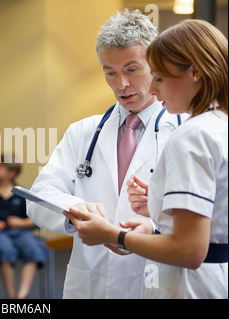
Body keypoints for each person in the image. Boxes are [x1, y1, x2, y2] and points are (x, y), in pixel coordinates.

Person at [26, 8, 184, 299]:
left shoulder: (186, 130)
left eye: (131, 69)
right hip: (92, 281)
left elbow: (209, 215)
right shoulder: (83, 133)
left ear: (156, 64)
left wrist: (153, 224)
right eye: (110, 72)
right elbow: (38, 198)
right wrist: (75, 211)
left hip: (158, 277)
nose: (120, 84)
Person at [65, 19, 228, 299]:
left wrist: (113, 235)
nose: (153, 89)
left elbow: (190, 251)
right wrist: (161, 212)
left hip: (190, 286)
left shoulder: (191, 135)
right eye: (110, 73)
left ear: (196, 73)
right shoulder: (220, 125)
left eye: (161, 77)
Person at [0, 153, 48, 299]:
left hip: (22, 232)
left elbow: (35, 219)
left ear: (12, 173)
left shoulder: (22, 193)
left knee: (33, 248)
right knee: (4, 248)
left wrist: (22, 223)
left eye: (0, 166)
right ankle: (11, 295)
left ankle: (22, 295)